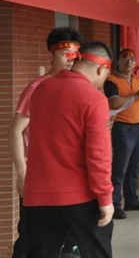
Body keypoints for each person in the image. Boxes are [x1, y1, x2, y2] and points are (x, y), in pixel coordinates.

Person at [22, 41, 114, 258]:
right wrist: (105, 198)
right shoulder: (94, 98)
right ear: (101, 69)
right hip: (80, 195)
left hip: (38, 193)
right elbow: (98, 155)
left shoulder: (41, 89)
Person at [7, 27, 83, 258]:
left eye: (74, 54)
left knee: (67, 237)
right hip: (37, 175)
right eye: (64, 54)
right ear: (51, 54)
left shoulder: (77, 87)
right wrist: (22, 171)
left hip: (65, 174)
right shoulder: (37, 88)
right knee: (31, 237)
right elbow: (15, 130)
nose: (70, 60)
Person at [104, 49, 139, 219]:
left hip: (138, 127)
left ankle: (132, 200)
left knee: (134, 168)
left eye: (132, 59)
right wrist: (138, 95)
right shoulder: (111, 81)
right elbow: (114, 103)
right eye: (124, 58)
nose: (129, 61)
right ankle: (115, 204)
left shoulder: (137, 78)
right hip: (123, 128)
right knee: (120, 168)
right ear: (118, 62)